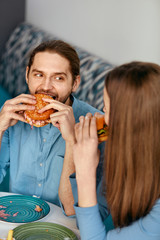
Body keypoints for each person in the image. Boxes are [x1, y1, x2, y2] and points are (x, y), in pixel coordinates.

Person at [0, 40, 105, 216]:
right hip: (16, 218)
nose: (46, 87)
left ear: (75, 83)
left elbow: (76, 212)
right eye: (39, 75)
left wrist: (72, 141)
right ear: (27, 75)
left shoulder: (98, 125)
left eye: (58, 78)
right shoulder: (11, 115)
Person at [72, 62, 160, 239]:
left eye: (106, 109)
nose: (102, 118)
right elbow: (84, 221)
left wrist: (85, 172)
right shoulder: (128, 157)